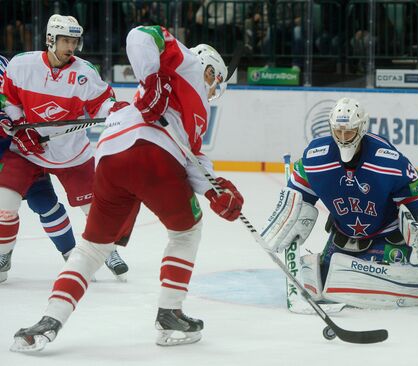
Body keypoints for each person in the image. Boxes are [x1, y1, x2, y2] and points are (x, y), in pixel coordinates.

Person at [11, 25, 244, 352]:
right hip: (152, 158)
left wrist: (217, 190)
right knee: (186, 232)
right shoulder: (186, 63)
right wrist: (151, 78)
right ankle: (170, 313)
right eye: (215, 80)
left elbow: (192, 158)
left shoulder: (199, 115)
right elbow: (141, 34)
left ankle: (50, 320)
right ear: (209, 69)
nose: (213, 88)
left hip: (110, 160)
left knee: (93, 248)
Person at [261, 97, 418, 309]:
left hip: (385, 236)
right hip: (343, 236)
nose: (343, 138)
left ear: (361, 129)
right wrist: (293, 208)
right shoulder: (317, 157)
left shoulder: (387, 159)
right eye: (338, 132)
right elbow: (298, 190)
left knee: (384, 287)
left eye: (349, 132)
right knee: (322, 282)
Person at [0, 15, 130, 284]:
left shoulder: (84, 72)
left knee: (93, 208)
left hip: (71, 152)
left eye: (74, 41)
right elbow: (10, 100)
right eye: (66, 41)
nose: (71, 47)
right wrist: (21, 125)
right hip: (27, 150)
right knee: (5, 204)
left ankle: (107, 251)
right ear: (50, 39)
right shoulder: (22, 65)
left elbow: (102, 103)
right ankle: (3, 255)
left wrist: (114, 110)